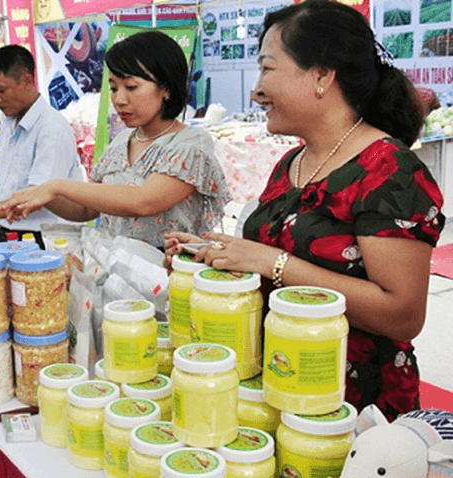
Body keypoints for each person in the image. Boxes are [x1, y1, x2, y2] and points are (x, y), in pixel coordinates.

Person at [165, 0, 444, 421]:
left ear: (321, 76)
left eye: (268, 69)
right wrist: (215, 254)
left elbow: (402, 315)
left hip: (348, 405)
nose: (257, 89)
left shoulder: (389, 170)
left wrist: (275, 263)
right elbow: (274, 255)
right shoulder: (292, 163)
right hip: (280, 387)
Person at [0, 31, 231, 249]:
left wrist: (56, 186)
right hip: (114, 272)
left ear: (166, 88)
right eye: (113, 88)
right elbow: (86, 209)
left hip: (168, 274)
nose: (119, 99)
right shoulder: (121, 142)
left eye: (131, 87)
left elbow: (143, 201)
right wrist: (38, 196)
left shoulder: (190, 143)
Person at [0, 45, 82, 246]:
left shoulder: (51, 128)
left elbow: (38, 195)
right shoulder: (9, 121)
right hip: (5, 232)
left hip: (41, 239)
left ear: (27, 81)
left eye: (1, 90)